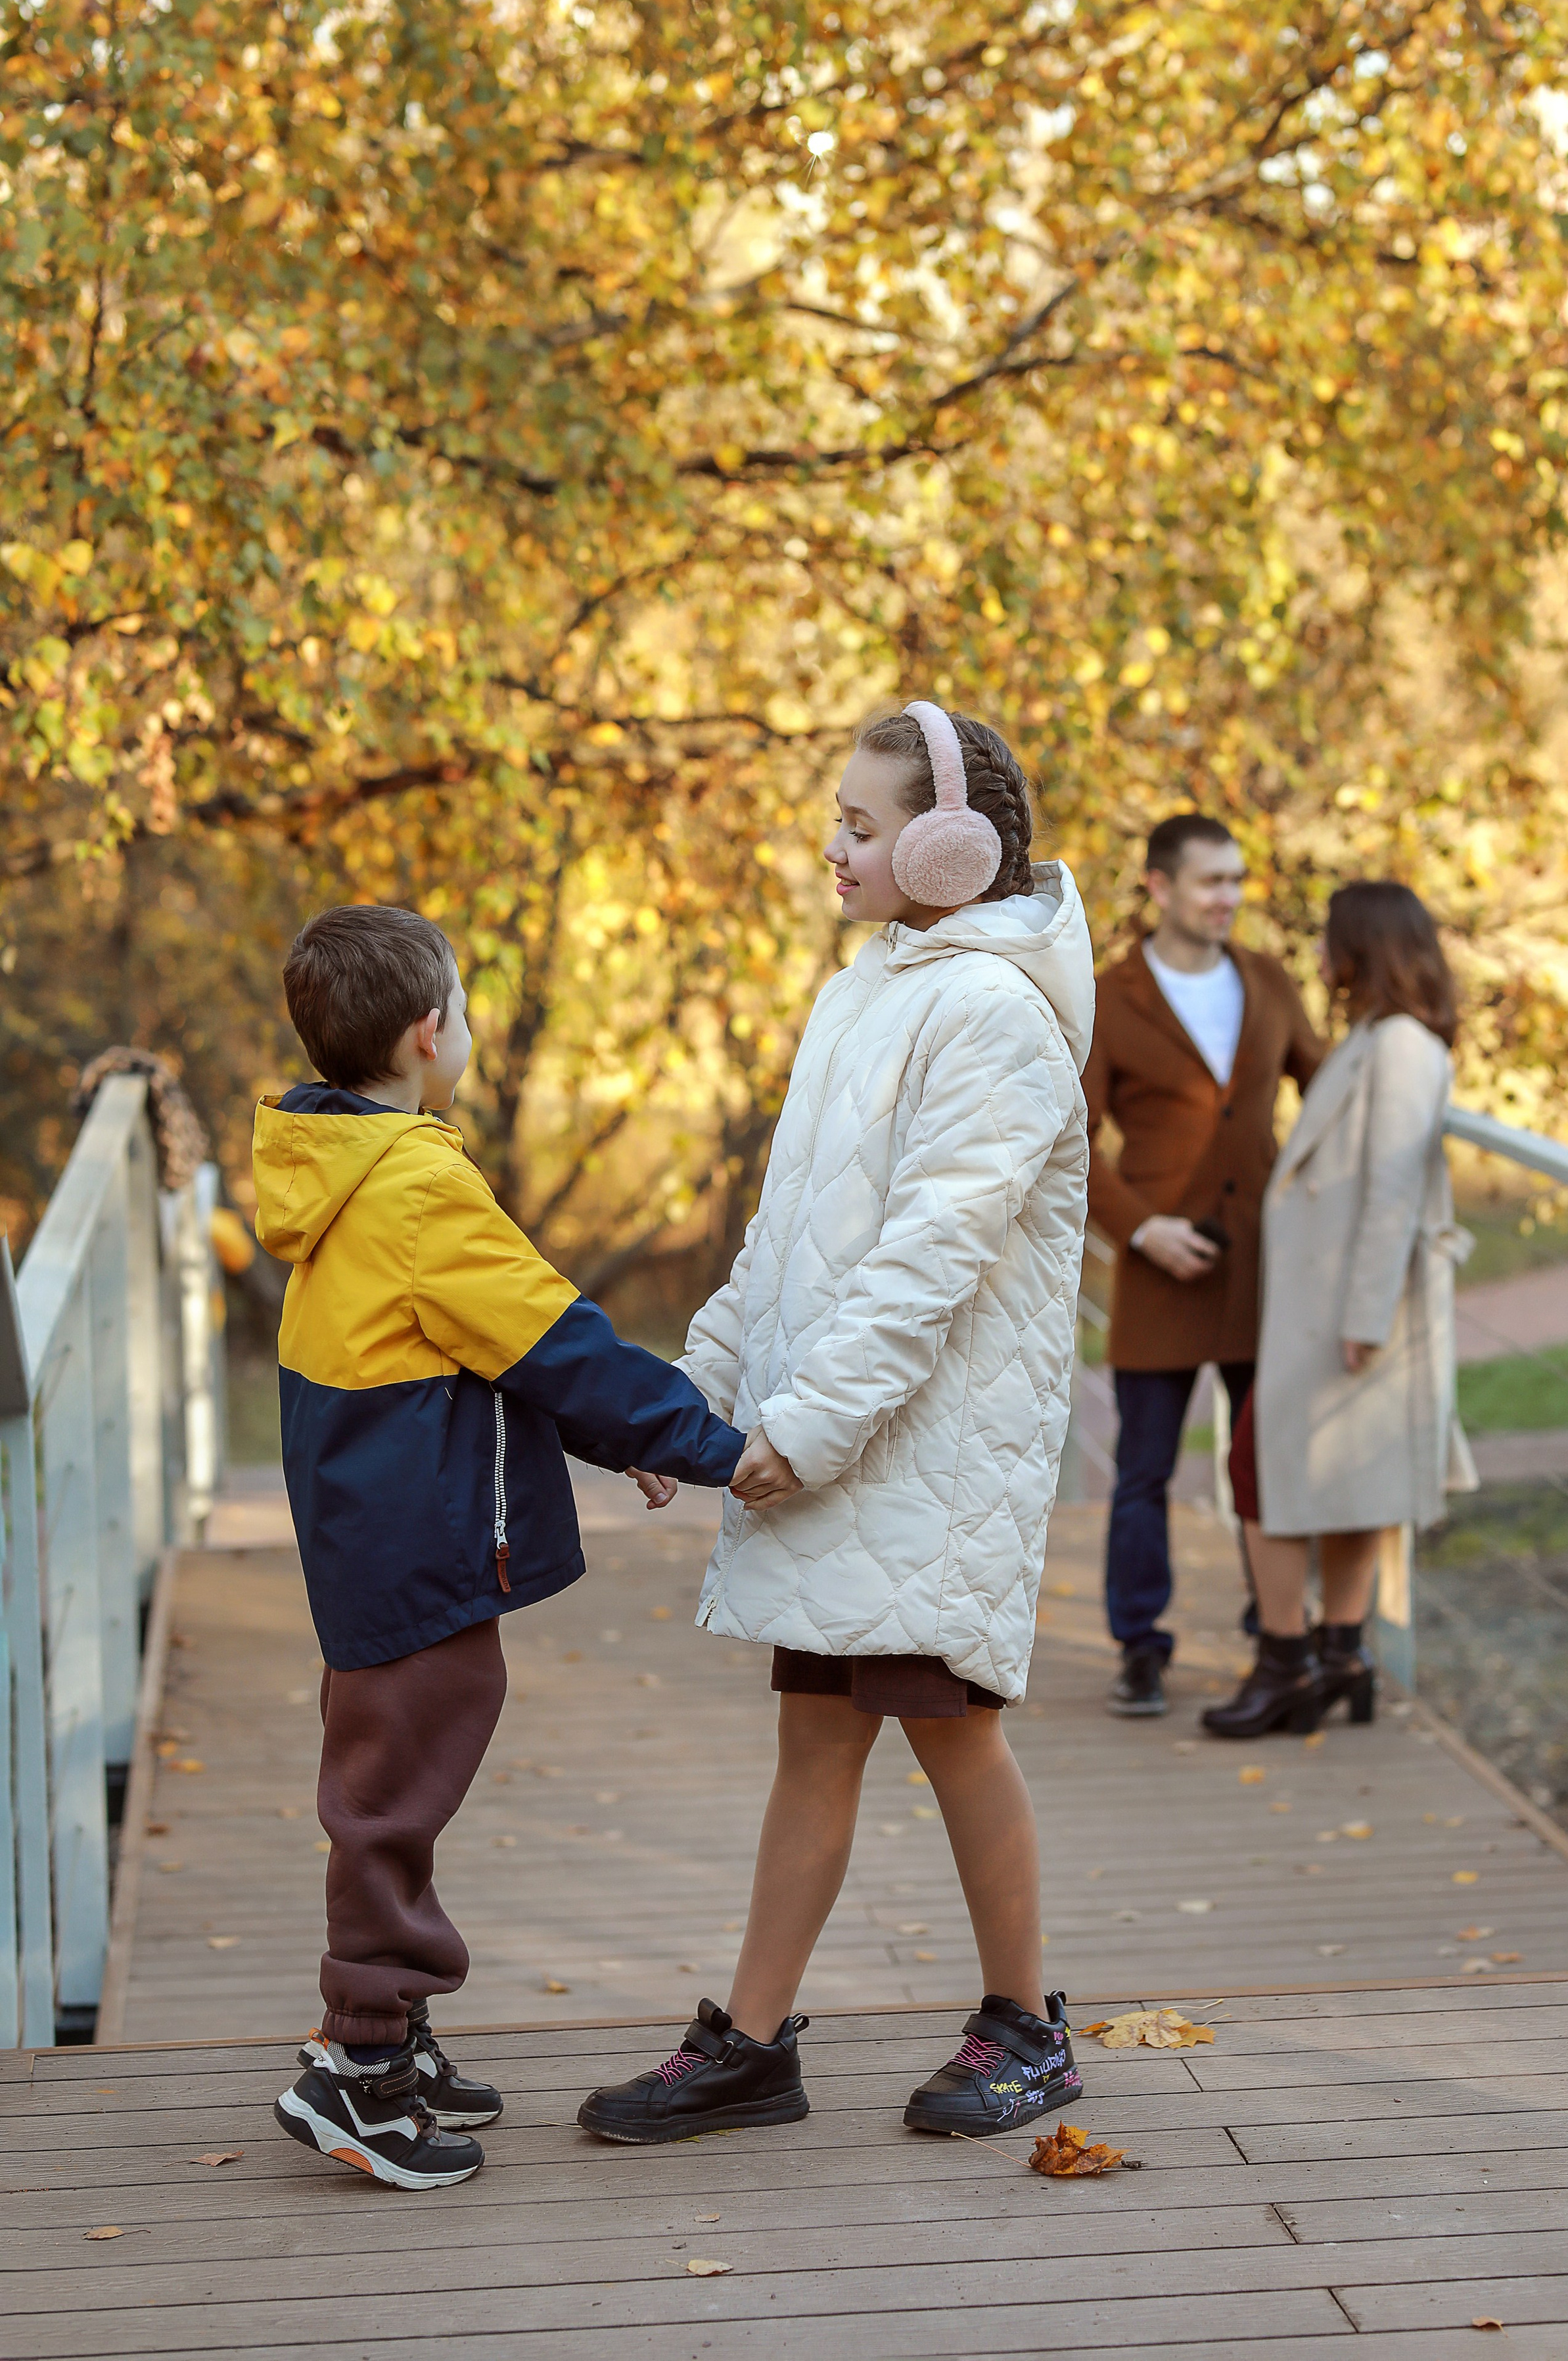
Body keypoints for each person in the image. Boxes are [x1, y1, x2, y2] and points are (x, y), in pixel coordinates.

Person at [575, 701, 1094, 2147]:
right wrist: (693, 1403)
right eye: (839, 820)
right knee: (815, 1732)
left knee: (949, 1733)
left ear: (946, 848)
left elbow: (928, 1259)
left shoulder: (994, 1014)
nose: (832, 846)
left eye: (860, 825)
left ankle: (1025, 2028)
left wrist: (798, 1434)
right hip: (842, 1446)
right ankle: (749, 2044)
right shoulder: (867, 987)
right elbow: (788, 1239)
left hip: (919, 1455)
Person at [254, 904, 747, 2187]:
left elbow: (478, 1344)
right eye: (466, 1010)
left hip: (379, 1531)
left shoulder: (345, 1163)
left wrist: (609, 1442)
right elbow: (554, 1339)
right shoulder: (416, 1181)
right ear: (430, 1036)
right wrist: (704, 1443)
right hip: (408, 1542)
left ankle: (392, 2035)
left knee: (400, 1763)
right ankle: (358, 2066)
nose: (465, 1030)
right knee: (390, 1793)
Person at [1203, 881, 1477, 1739]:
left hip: (1352, 1309)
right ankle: (1342, 1656)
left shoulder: (1399, 1046)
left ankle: (1286, 1664)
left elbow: (1394, 1185)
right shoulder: (1379, 1038)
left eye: (1329, 940)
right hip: (1332, 1303)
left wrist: (1364, 1317)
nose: (1318, 956)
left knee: (1257, 1470)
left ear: (1364, 947)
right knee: (1339, 1482)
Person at [1082, 815, 1325, 1719]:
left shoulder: (1267, 979)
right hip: (1159, 1271)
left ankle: (1281, 1628)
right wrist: (1141, 1232)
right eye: (1209, 881)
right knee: (1144, 1469)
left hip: (1269, 1269)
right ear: (1158, 886)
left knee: (1273, 1463)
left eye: (1236, 880)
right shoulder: (1112, 996)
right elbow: (1073, 1138)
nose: (1227, 898)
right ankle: (1140, 1648)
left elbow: (1326, 1085)